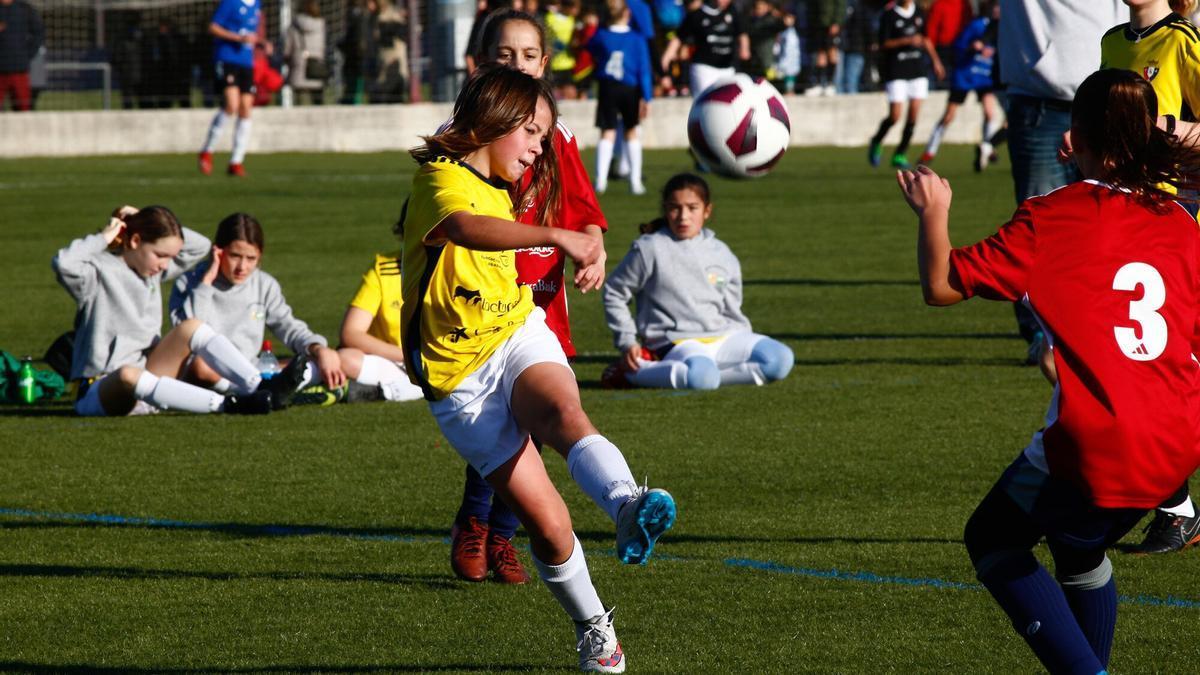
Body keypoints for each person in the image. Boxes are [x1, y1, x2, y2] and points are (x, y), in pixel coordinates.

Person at [897, 67, 1200, 675]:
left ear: (1075, 133)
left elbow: (941, 285)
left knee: (993, 537)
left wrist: (934, 209)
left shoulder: (1049, 216)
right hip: (1179, 440)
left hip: (1098, 441)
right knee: (1078, 549)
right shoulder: (1181, 223)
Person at [401, 65, 675, 672]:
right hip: (460, 384)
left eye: (542, 136)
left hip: (516, 335)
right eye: (530, 131)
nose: (536, 146)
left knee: (562, 411)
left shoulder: (503, 182)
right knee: (549, 526)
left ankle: (628, 505)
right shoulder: (438, 182)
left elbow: (571, 210)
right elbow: (468, 230)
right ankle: (595, 630)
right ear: (490, 121)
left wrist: (588, 241)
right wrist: (558, 234)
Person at [448, 8, 610, 589]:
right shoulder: (468, 131)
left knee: (538, 418)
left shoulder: (558, 134)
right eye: (504, 56)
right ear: (482, 64)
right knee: (495, 417)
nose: (518, 64)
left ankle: (502, 534)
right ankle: (475, 518)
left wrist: (593, 250)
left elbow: (584, 213)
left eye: (528, 55)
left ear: (545, 63)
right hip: (483, 298)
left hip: (542, 299)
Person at [1089, 0, 1200, 555]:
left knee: (1160, 371)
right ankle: (1176, 508)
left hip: (1173, 222)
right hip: (1122, 218)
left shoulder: (1182, 42)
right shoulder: (1112, 41)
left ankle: (1175, 508)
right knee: (1133, 368)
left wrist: (1165, 127)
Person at [52, 206, 304, 417]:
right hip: (100, 389)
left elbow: (200, 246)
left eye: (169, 257)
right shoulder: (95, 273)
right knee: (127, 374)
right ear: (136, 241)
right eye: (160, 255)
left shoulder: (151, 271)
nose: (165, 264)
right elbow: (64, 262)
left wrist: (140, 214)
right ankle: (227, 405)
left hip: (149, 378)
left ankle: (260, 384)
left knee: (191, 327)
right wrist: (107, 236)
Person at [998, 0, 1124, 364]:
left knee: (1119, 221)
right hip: (1042, 99)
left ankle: (1112, 327)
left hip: (1113, 100)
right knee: (1042, 226)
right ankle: (1043, 334)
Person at [601, 173, 794, 390]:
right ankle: (630, 374)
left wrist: (743, 337)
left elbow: (732, 308)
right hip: (677, 340)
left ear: (707, 211)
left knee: (780, 359)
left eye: (692, 208)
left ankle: (705, 375)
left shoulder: (721, 252)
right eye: (675, 207)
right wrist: (627, 341)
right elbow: (614, 292)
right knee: (701, 378)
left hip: (724, 337)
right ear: (665, 209)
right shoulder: (650, 248)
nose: (683, 216)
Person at [168, 212, 346, 403]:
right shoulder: (189, 283)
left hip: (251, 370)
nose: (242, 267)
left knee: (330, 359)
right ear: (218, 251)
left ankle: (263, 391)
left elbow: (288, 326)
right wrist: (206, 284)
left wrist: (318, 349)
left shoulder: (264, 284)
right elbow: (190, 335)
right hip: (207, 371)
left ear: (259, 256)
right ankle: (265, 393)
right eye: (235, 256)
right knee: (200, 366)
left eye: (251, 258)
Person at [918, 1, 1004, 171]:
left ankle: (987, 147)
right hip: (965, 74)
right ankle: (930, 151)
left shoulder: (1003, 27)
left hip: (984, 76)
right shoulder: (976, 25)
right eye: (997, 6)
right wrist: (974, 47)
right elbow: (959, 46)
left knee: (989, 112)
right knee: (949, 115)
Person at [336, 248, 426, 403]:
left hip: (444, 361)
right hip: (397, 361)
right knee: (345, 359)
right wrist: (408, 357)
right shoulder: (385, 268)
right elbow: (351, 333)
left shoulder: (459, 266)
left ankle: (384, 392)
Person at [866, 0, 944, 170]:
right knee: (895, 115)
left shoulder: (919, 13)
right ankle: (876, 141)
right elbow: (884, 43)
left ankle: (900, 153)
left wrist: (936, 61)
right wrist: (907, 40)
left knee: (913, 115)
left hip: (917, 70)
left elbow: (926, 39)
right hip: (896, 70)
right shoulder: (889, 15)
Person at [589, 0, 653, 195]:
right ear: (627, 15)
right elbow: (644, 70)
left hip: (608, 88)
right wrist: (647, 97)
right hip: (630, 89)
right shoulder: (637, 39)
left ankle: (600, 181)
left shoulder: (601, 36)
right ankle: (635, 182)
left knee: (607, 133)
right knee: (631, 132)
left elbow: (589, 48)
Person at [198, 0, 267, 177]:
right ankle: (207, 150)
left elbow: (251, 32)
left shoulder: (257, 4)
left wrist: (261, 42)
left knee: (246, 109)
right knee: (232, 105)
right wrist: (238, 38)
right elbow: (213, 27)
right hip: (227, 58)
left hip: (246, 62)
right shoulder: (230, 2)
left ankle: (236, 161)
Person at [660, 0, 750, 99]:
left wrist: (744, 48)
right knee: (705, 103)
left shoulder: (732, 12)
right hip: (704, 69)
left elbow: (742, 33)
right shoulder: (697, 15)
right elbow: (679, 37)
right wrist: (668, 55)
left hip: (727, 68)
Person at [0, 0, 43, 112]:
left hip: (19, 68)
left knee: (23, 108)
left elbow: (38, 33)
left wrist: (27, 55)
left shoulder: (24, 9)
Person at [285, 0, 328, 105]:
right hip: (316, 66)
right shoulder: (321, 25)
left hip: (299, 66)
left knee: (299, 103)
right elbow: (324, 46)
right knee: (318, 103)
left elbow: (287, 49)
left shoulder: (294, 26)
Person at [925, 0, 973, 90]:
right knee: (943, 85)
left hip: (962, 49)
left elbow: (970, 26)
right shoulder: (939, 5)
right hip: (943, 50)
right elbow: (930, 34)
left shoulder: (965, 4)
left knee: (961, 86)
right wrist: (935, 59)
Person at [805, 0, 845, 96]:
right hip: (818, 25)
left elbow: (840, 5)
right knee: (820, 54)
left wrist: (836, 22)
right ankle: (819, 84)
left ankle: (830, 84)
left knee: (832, 53)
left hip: (831, 24)